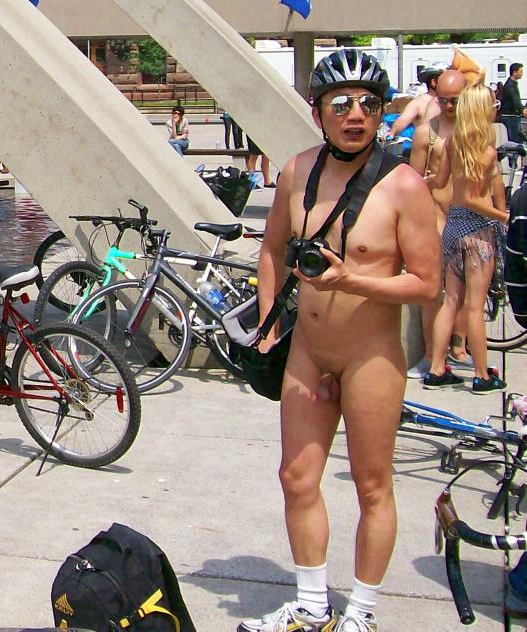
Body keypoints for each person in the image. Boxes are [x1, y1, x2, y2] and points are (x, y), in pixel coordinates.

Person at [241, 49, 440, 632]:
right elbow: (271, 250)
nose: (356, 115)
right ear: (318, 111)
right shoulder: (297, 171)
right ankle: (311, 605)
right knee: (296, 477)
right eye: (342, 104)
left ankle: (363, 612)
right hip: (308, 349)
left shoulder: (403, 186)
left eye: (369, 105)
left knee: (373, 486)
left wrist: (351, 280)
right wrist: (269, 325)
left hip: (369, 355)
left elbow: (427, 283)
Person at [424, 77, 509, 395]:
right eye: (493, 105)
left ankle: (436, 369)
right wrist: (504, 217)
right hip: (477, 231)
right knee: (474, 306)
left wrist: (423, 181)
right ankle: (482, 375)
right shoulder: (485, 151)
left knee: (451, 301)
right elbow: (474, 199)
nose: (495, 109)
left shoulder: (452, 141)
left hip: (453, 226)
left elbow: (440, 180)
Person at [406, 70, 469, 379]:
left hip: (469, 216)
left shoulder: (475, 129)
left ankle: (459, 346)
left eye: (455, 100)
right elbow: (413, 182)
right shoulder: (426, 134)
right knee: (434, 290)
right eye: (443, 100)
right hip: (436, 216)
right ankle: (432, 353)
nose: (448, 106)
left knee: (467, 289)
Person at [388, 63, 445, 138]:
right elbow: (404, 119)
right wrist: (392, 132)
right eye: (445, 79)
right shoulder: (420, 102)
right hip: (426, 144)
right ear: (433, 82)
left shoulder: (452, 101)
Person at [500, 63, 524, 144]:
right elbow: (515, 100)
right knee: (514, 140)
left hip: (512, 116)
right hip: (510, 117)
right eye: (521, 71)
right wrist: (522, 110)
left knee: (516, 139)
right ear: (514, 72)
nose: (522, 74)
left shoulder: (512, 84)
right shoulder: (510, 85)